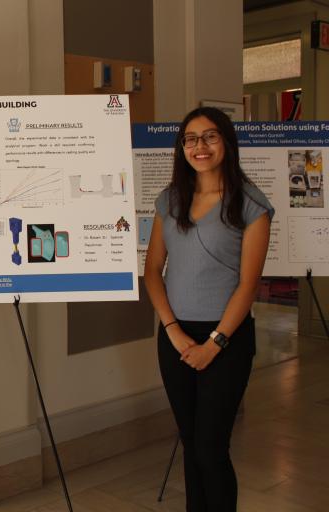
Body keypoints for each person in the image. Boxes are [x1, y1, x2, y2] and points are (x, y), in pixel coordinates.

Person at [144, 107, 273, 511]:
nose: (200, 146)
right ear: (182, 147)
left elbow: (248, 284)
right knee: (190, 442)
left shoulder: (250, 203)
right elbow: (151, 271)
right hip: (175, 337)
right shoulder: (170, 200)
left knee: (211, 448)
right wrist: (173, 330)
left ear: (227, 143)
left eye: (210, 136)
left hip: (227, 340)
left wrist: (213, 344)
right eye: (191, 139)